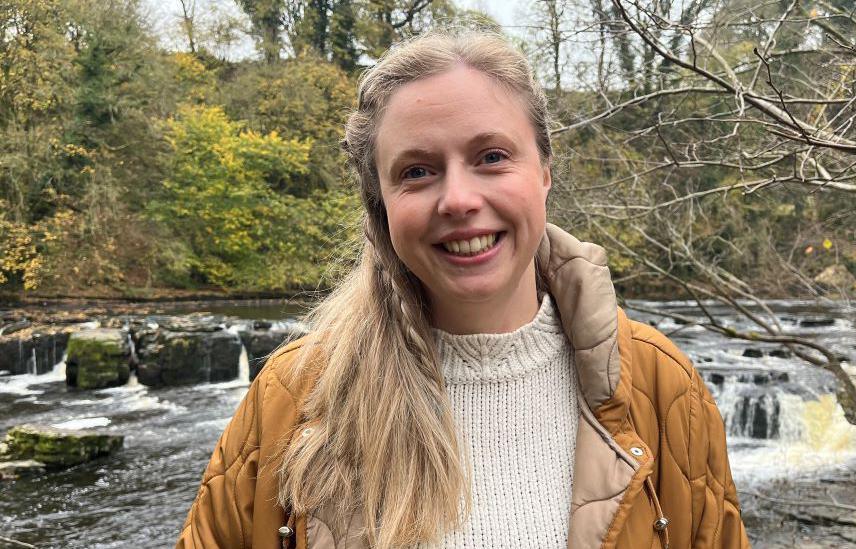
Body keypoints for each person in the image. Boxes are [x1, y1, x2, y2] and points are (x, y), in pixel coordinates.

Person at [176, 29, 749, 549]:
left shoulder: (663, 387)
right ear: (381, 204)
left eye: (491, 157)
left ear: (545, 172)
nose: (457, 199)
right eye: (417, 171)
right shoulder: (291, 397)